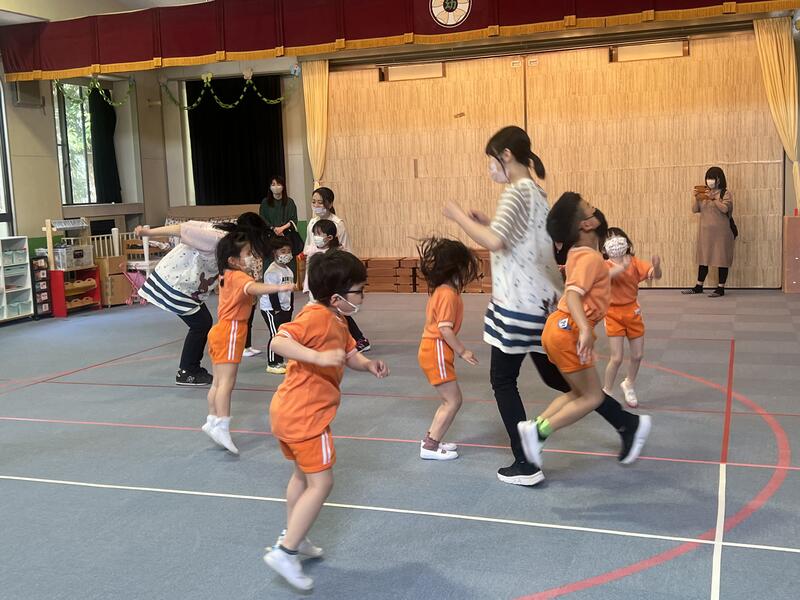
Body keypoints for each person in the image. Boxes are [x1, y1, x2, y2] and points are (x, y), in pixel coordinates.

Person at [444, 125, 650, 486]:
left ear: (506, 156)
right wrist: (489, 222)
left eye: (491, 161)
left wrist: (458, 216)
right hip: (545, 304)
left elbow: (495, 242)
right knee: (563, 378)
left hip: (516, 304)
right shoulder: (537, 193)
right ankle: (625, 423)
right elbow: (524, 241)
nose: (490, 168)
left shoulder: (514, 193)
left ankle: (526, 462)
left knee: (503, 380)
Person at [264, 250, 389, 591]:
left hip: (289, 411)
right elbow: (279, 341)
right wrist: (316, 357)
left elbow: (349, 354)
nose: (362, 297)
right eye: (359, 291)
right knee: (322, 484)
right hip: (307, 416)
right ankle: (286, 552)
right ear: (336, 297)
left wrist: (367, 364)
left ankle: (294, 535)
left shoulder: (337, 318)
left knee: (301, 477)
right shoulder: (316, 317)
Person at [518, 193, 652, 469]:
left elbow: (591, 282)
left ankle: (536, 426)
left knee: (579, 393)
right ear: (587, 225)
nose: (595, 208)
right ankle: (540, 432)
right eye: (589, 208)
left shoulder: (579, 254)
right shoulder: (590, 258)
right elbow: (573, 294)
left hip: (556, 328)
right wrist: (584, 331)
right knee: (593, 396)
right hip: (568, 330)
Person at [136, 213, 271, 386]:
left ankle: (189, 369)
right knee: (201, 323)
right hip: (174, 282)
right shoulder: (217, 238)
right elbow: (182, 229)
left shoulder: (232, 244)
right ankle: (188, 371)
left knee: (202, 322)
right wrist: (147, 233)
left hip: (188, 287)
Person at [202, 231, 294, 455]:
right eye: (248, 253)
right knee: (226, 383)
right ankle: (222, 424)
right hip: (231, 331)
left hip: (220, 331)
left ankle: (213, 419)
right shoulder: (239, 277)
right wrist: (279, 287)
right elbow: (253, 288)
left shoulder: (226, 274)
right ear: (234, 260)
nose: (252, 257)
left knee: (218, 383)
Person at [416, 237, 480, 461]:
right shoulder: (447, 294)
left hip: (434, 350)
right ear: (458, 267)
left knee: (449, 400)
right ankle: (430, 446)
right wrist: (463, 351)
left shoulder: (443, 290)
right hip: (436, 350)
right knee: (453, 401)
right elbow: (445, 329)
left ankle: (431, 439)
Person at [602, 228, 662, 408]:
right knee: (616, 358)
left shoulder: (634, 262)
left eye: (618, 237)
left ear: (626, 242)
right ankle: (606, 391)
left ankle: (629, 384)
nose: (615, 241)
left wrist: (657, 266)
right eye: (610, 238)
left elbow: (654, 275)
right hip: (612, 314)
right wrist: (621, 267)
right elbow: (603, 277)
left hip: (633, 312)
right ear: (603, 247)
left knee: (637, 355)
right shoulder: (603, 265)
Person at [304, 217, 370, 353]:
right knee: (326, 317)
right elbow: (309, 274)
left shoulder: (336, 254)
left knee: (340, 315)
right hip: (318, 292)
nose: (316, 237)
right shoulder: (312, 252)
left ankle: (359, 339)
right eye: (314, 234)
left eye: (319, 234)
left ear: (329, 237)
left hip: (332, 291)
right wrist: (307, 288)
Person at [683, 166, 735, 297]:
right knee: (703, 258)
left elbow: (725, 209)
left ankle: (720, 288)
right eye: (708, 178)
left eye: (712, 178)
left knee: (721, 258)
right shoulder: (704, 194)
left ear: (719, 179)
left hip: (721, 234)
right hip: (705, 234)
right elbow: (695, 210)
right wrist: (697, 198)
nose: (709, 180)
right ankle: (698, 286)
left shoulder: (725, 194)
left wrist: (713, 198)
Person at [261, 237, 295, 375]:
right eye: (283, 251)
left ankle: (279, 360)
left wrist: (290, 307)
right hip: (271, 308)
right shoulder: (272, 271)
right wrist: (276, 310)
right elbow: (272, 293)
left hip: (284, 307)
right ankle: (272, 363)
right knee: (275, 335)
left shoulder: (289, 271)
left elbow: (290, 291)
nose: (286, 254)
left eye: (288, 251)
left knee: (282, 335)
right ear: (275, 252)